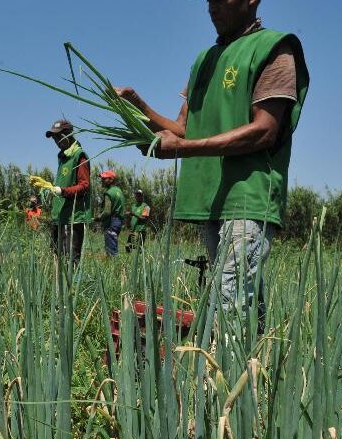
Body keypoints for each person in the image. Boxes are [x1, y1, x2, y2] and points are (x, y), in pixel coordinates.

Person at [114, 0, 309, 326]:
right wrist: (138, 108)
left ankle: (224, 376)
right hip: (211, 199)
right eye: (208, 1)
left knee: (229, 304)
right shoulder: (204, 60)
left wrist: (186, 148)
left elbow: (265, 130)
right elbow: (184, 129)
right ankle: (254, 370)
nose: (212, 7)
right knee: (240, 302)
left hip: (248, 198)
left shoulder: (275, 49)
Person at [30, 119, 91, 264]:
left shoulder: (79, 156)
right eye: (54, 138)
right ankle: (58, 286)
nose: (57, 141)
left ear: (69, 134)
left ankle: (73, 287)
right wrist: (48, 186)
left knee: (70, 262)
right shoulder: (63, 157)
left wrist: (61, 191)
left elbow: (84, 186)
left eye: (59, 136)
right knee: (57, 259)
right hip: (59, 216)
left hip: (72, 218)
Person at [94, 170, 125, 257]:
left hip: (111, 222)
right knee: (114, 244)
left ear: (111, 180)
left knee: (111, 250)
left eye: (104, 179)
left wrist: (98, 218)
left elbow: (107, 211)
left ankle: (115, 268)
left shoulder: (109, 193)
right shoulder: (119, 191)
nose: (102, 180)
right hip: (119, 221)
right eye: (102, 178)